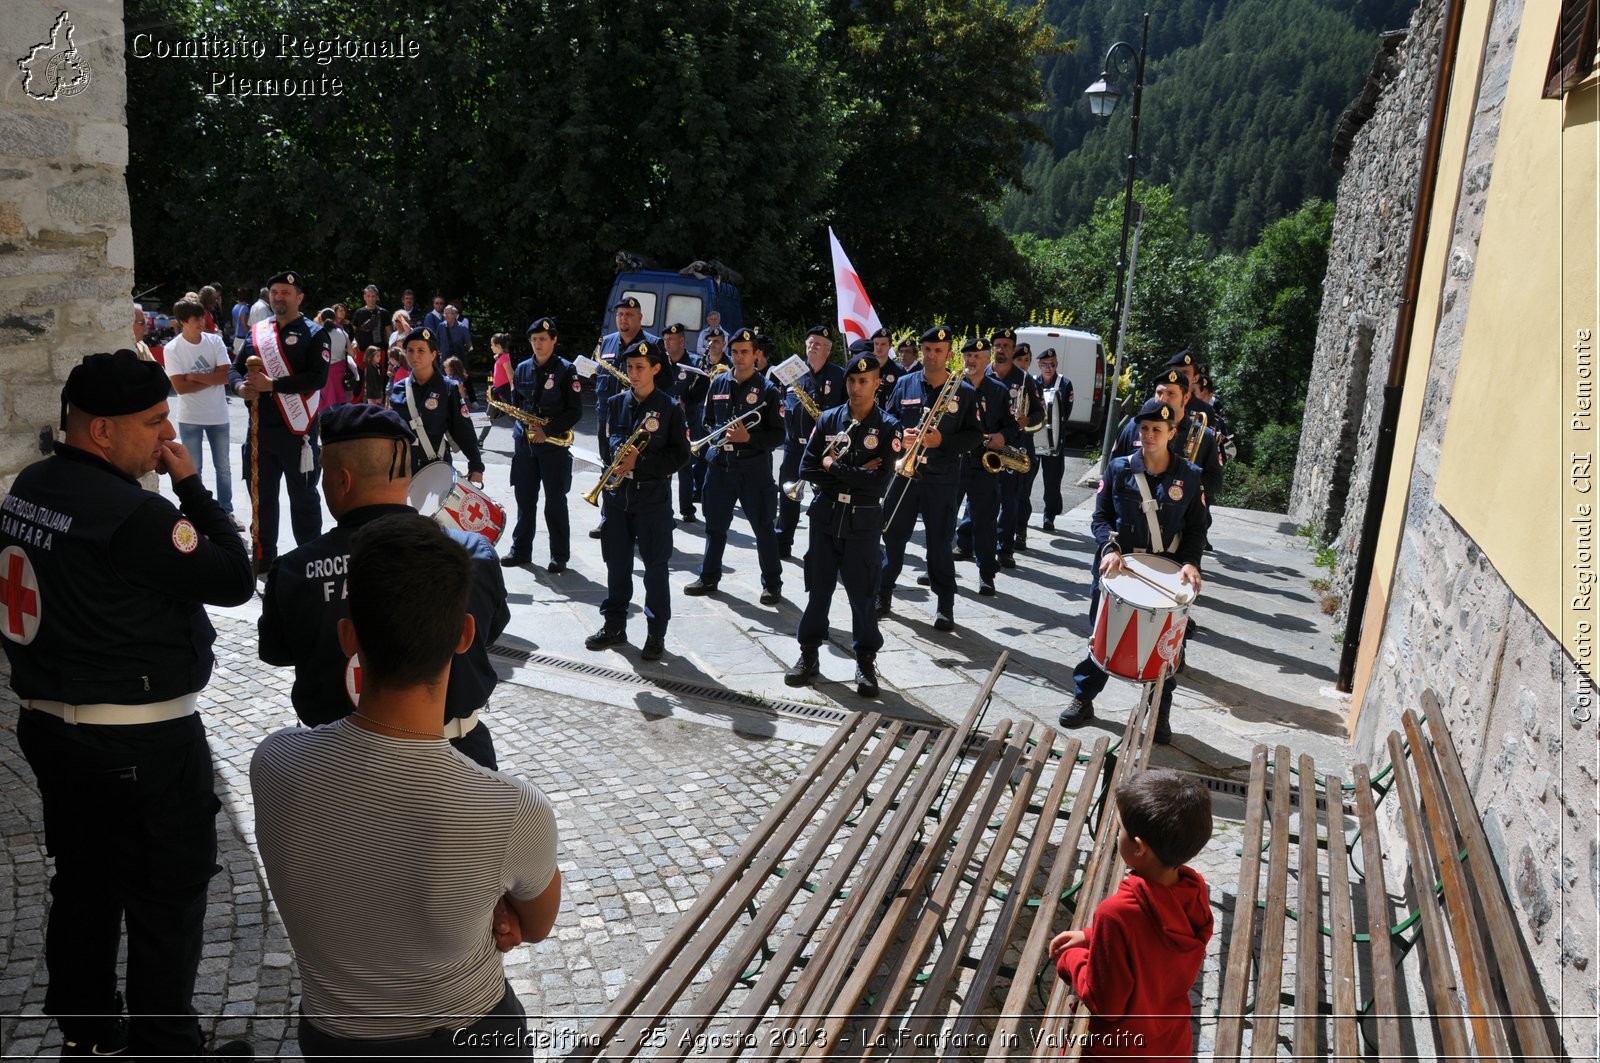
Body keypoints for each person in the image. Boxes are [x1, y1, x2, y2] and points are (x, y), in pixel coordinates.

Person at [3, 350, 254, 1058]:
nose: (166, 435)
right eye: (151, 423)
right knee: (164, 905)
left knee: (83, 882)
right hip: (143, 749)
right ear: (103, 431)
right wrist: (191, 485)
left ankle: (85, 1031)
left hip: (53, 733)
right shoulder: (137, 516)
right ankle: (165, 1047)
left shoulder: (29, 486)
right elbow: (235, 576)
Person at [252, 511, 559, 1057]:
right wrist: (482, 902)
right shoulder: (510, 808)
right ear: (466, 634)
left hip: (334, 1042)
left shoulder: (274, 763)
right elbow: (533, 926)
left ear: (349, 637)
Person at [258, 404, 509, 769]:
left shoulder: (295, 570)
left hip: (336, 762)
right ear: (407, 476)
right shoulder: (473, 553)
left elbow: (277, 651)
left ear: (342, 479)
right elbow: (487, 633)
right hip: (456, 753)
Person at [1059, 399, 1205, 743]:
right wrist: (1109, 548)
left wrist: (1190, 562)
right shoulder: (1119, 468)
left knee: (1166, 649)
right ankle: (1084, 698)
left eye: (1158, 429)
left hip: (1165, 574)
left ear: (1172, 433)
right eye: (1144, 429)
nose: (1149, 435)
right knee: (1102, 637)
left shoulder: (1190, 476)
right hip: (1118, 569)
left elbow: (1197, 529)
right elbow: (1100, 518)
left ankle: (1160, 715)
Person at [1049, 769, 1213, 1060]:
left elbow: (1106, 1002)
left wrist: (1070, 960)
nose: (1117, 835)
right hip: (1169, 1043)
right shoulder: (1194, 888)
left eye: (1120, 830)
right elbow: (1153, 948)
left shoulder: (1116, 913)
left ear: (1139, 847)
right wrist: (1092, 937)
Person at [785, 349, 902, 697]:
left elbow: (880, 482)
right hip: (826, 517)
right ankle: (808, 656)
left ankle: (865, 662)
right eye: (851, 380)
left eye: (864, 381)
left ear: (877, 383)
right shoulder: (829, 420)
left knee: (863, 596)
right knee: (818, 592)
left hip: (863, 522)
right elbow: (806, 469)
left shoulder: (888, 427)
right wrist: (854, 474)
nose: (856, 387)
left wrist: (833, 468)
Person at [585, 339, 690, 661]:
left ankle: (656, 633)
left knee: (655, 569)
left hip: (652, 500)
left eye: (640, 368)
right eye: (630, 367)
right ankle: (614, 625)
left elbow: (680, 456)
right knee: (616, 564)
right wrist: (618, 460)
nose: (633, 373)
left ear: (656, 369)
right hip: (617, 498)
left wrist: (640, 463)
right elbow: (606, 446)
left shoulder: (670, 408)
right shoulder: (616, 403)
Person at [878, 326, 982, 629]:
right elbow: (887, 418)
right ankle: (883, 593)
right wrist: (901, 433)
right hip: (905, 476)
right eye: (927, 349)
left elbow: (975, 436)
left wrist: (943, 443)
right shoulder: (905, 383)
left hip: (941, 477)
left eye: (938, 350)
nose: (931, 355)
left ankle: (944, 605)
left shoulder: (964, 391)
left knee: (939, 543)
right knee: (893, 537)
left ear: (948, 354)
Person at [231, 270, 331, 571]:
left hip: (297, 432)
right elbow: (234, 370)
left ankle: (309, 559)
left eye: (286, 292)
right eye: (274, 292)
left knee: (303, 499)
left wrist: (272, 385)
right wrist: (241, 388)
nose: (279, 297)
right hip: (260, 431)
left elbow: (318, 378)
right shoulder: (257, 332)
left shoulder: (314, 333)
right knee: (262, 499)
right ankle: (263, 560)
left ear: (299, 297)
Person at [684, 326, 785, 603]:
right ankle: (708, 576)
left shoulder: (768, 390)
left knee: (763, 527)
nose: (739, 357)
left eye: (745, 352)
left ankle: (773, 583)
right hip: (719, 466)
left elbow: (779, 435)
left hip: (753, 469)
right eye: (736, 352)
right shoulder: (718, 383)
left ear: (756, 355)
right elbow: (707, 422)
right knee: (714, 526)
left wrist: (748, 436)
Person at [503, 317, 581, 573]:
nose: (538, 344)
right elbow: (517, 403)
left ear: (554, 340)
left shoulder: (566, 370)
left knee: (555, 502)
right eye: (534, 340)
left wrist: (546, 430)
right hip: (525, 446)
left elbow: (575, 411)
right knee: (525, 500)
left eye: (543, 339)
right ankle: (521, 550)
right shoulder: (523, 368)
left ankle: (559, 555)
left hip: (553, 446)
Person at [951, 337, 1019, 596]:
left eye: (977, 356)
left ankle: (986, 574)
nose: (971, 360)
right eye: (967, 355)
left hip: (984, 463)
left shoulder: (999, 391)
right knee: (945, 517)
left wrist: (1002, 437)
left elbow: (1012, 425)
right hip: (955, 462)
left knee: (985, 521)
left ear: (987, 360)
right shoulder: (952, 386)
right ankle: (935, 566)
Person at [589, 297, 657, 538]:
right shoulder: (605, 343)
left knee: (638, 470)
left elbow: (665, 384)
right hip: (607, 417)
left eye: (629, 314)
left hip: (639, 421)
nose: (623, 319)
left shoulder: (653, 344)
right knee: (609, 467)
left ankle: (639, 523)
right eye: (620, 314)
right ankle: (608, 519)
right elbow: (595, 375)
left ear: (640, 317)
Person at [164, 297, 236, 523]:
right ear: (183, 322)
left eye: (203, 317)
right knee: (193, 468)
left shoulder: (214, 341)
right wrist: (211, 378)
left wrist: (195, 376)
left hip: (218, 415)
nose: (202, 322)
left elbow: (226, 376)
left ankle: (226, 511)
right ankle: (197, 512)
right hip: (190, 417)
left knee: (223, 467)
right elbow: (180, 388)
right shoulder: (172, 348)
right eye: (196, 318)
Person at [776, 324, 845, 558]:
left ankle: (823, 546)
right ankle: (782, 541)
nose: (813, 347)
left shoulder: (839, 375)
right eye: (810, 343)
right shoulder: (793, 373)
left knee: (824, 496)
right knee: (787, 496)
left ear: (828, 349)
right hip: (794, 444)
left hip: (824, 447)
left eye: (819, 344)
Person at [390, 325, 486, 486]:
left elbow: (463, 429)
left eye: (421, 350)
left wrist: (476, 465)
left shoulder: (448, 388)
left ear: (433, 354)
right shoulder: (399, 388)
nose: (415, 356)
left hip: (435, 466)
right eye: (410, 350)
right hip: (403, 470)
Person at [660, 322, 709, 522]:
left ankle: (687, 508)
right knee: (665, 465)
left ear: (681, 340)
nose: (667, 344)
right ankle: (665, 509)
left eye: (671, 340)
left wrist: (686, 401)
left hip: (688, 419)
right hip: (665, 421)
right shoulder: (661, 363)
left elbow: (704, 385)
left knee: (686, 465)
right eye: (665, 340)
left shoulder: (696, 363)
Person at [1010, 343, 1045, 545]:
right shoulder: (1001, 381)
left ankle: (1020, 531)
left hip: (1024, 443)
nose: (1023, 364)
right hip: (1004, 443)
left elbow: (1041, 415)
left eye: (1027, 360)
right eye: (1019, 360)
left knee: (1022, 493)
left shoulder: (1032, 383)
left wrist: (1028, 421)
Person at [1037, 348, 1073, 531]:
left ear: (1056, 365)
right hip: (1034, 440)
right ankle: (1021, 515)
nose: (1048, 368)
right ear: (1039, 365)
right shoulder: (1033, 382)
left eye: (1052, 364)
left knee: (1052, 481)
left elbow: (1064, 414)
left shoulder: (1065, 384)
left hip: (1054, 440)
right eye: (1044, 365)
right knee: (1024, 481)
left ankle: (1049, 516)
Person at [316, 307, 354, 409]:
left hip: (325, 371)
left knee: (325, 404)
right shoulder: (343, 332)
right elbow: (352, 353)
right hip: (340, 371)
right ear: (334, 319)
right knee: (340, 402)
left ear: (321, 319)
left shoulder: (318, 333)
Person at [350, 283, 388, 354]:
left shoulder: (384, 313)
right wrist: (354, 342)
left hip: (380, 351)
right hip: (362, 351)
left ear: (377, 297)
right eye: (368, 296)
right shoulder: (358, 313)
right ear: (364, 297)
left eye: (373, 296)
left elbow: (389, 334)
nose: (370, 298)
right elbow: (352, 332)